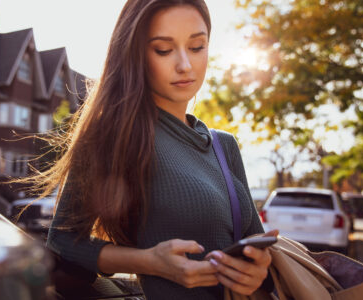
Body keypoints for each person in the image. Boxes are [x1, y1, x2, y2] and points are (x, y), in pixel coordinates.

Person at [42, 0, 276, 298]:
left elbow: (253, 241)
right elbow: (62, 239)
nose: (185, 65)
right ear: (136, 54)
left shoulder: (224, 144)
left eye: (197, 47)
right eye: (164, 49)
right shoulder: (116, 134)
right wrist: (151, 262)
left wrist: (257, 270)